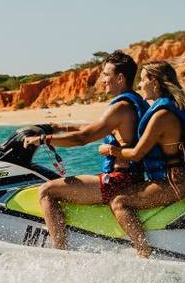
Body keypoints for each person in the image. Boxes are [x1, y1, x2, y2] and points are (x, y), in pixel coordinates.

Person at [22, 51, 148, 249]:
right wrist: (59, 127)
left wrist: (43, 140)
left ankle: (60, 252)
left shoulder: (120, 108)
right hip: (132, 175)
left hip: (120, 180)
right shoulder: (134, 102)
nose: (103, 79)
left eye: (107, 75)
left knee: (47, 191)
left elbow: (83, 138)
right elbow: (89, 129)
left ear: (120, 78)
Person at [99, 61, 185, 257]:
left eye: (143, 80)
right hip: (184, 178)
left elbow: (137, 153)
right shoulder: (171, 106)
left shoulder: (161, 115)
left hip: (174, 183)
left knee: (119, 202)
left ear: (154, 82)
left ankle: (144, 252)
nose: (139, 85)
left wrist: (111, 150)